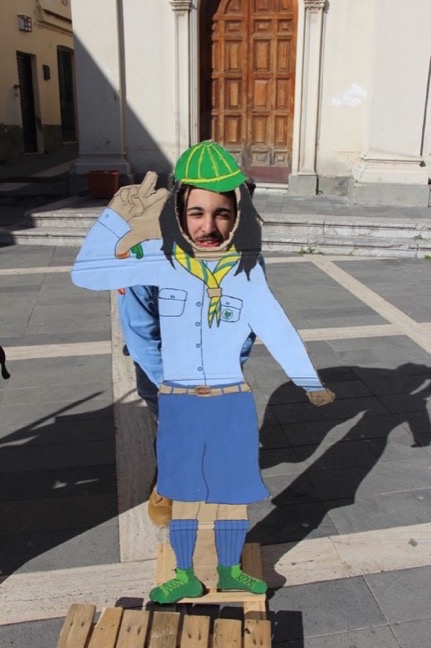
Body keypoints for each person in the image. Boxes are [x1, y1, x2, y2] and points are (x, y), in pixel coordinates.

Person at [71, 140, 335, 605]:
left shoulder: (247, 262)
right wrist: (114, 219)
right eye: (196, 212)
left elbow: (271, 325)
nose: (209, 227)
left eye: (223, 213)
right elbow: (99, 286)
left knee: (231, 491)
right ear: (178, 208)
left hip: (229, 394)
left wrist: (303, 379)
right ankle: (183, 567)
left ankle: (230, 571)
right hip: (171, 387)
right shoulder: (156, 256)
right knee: (182, 483)